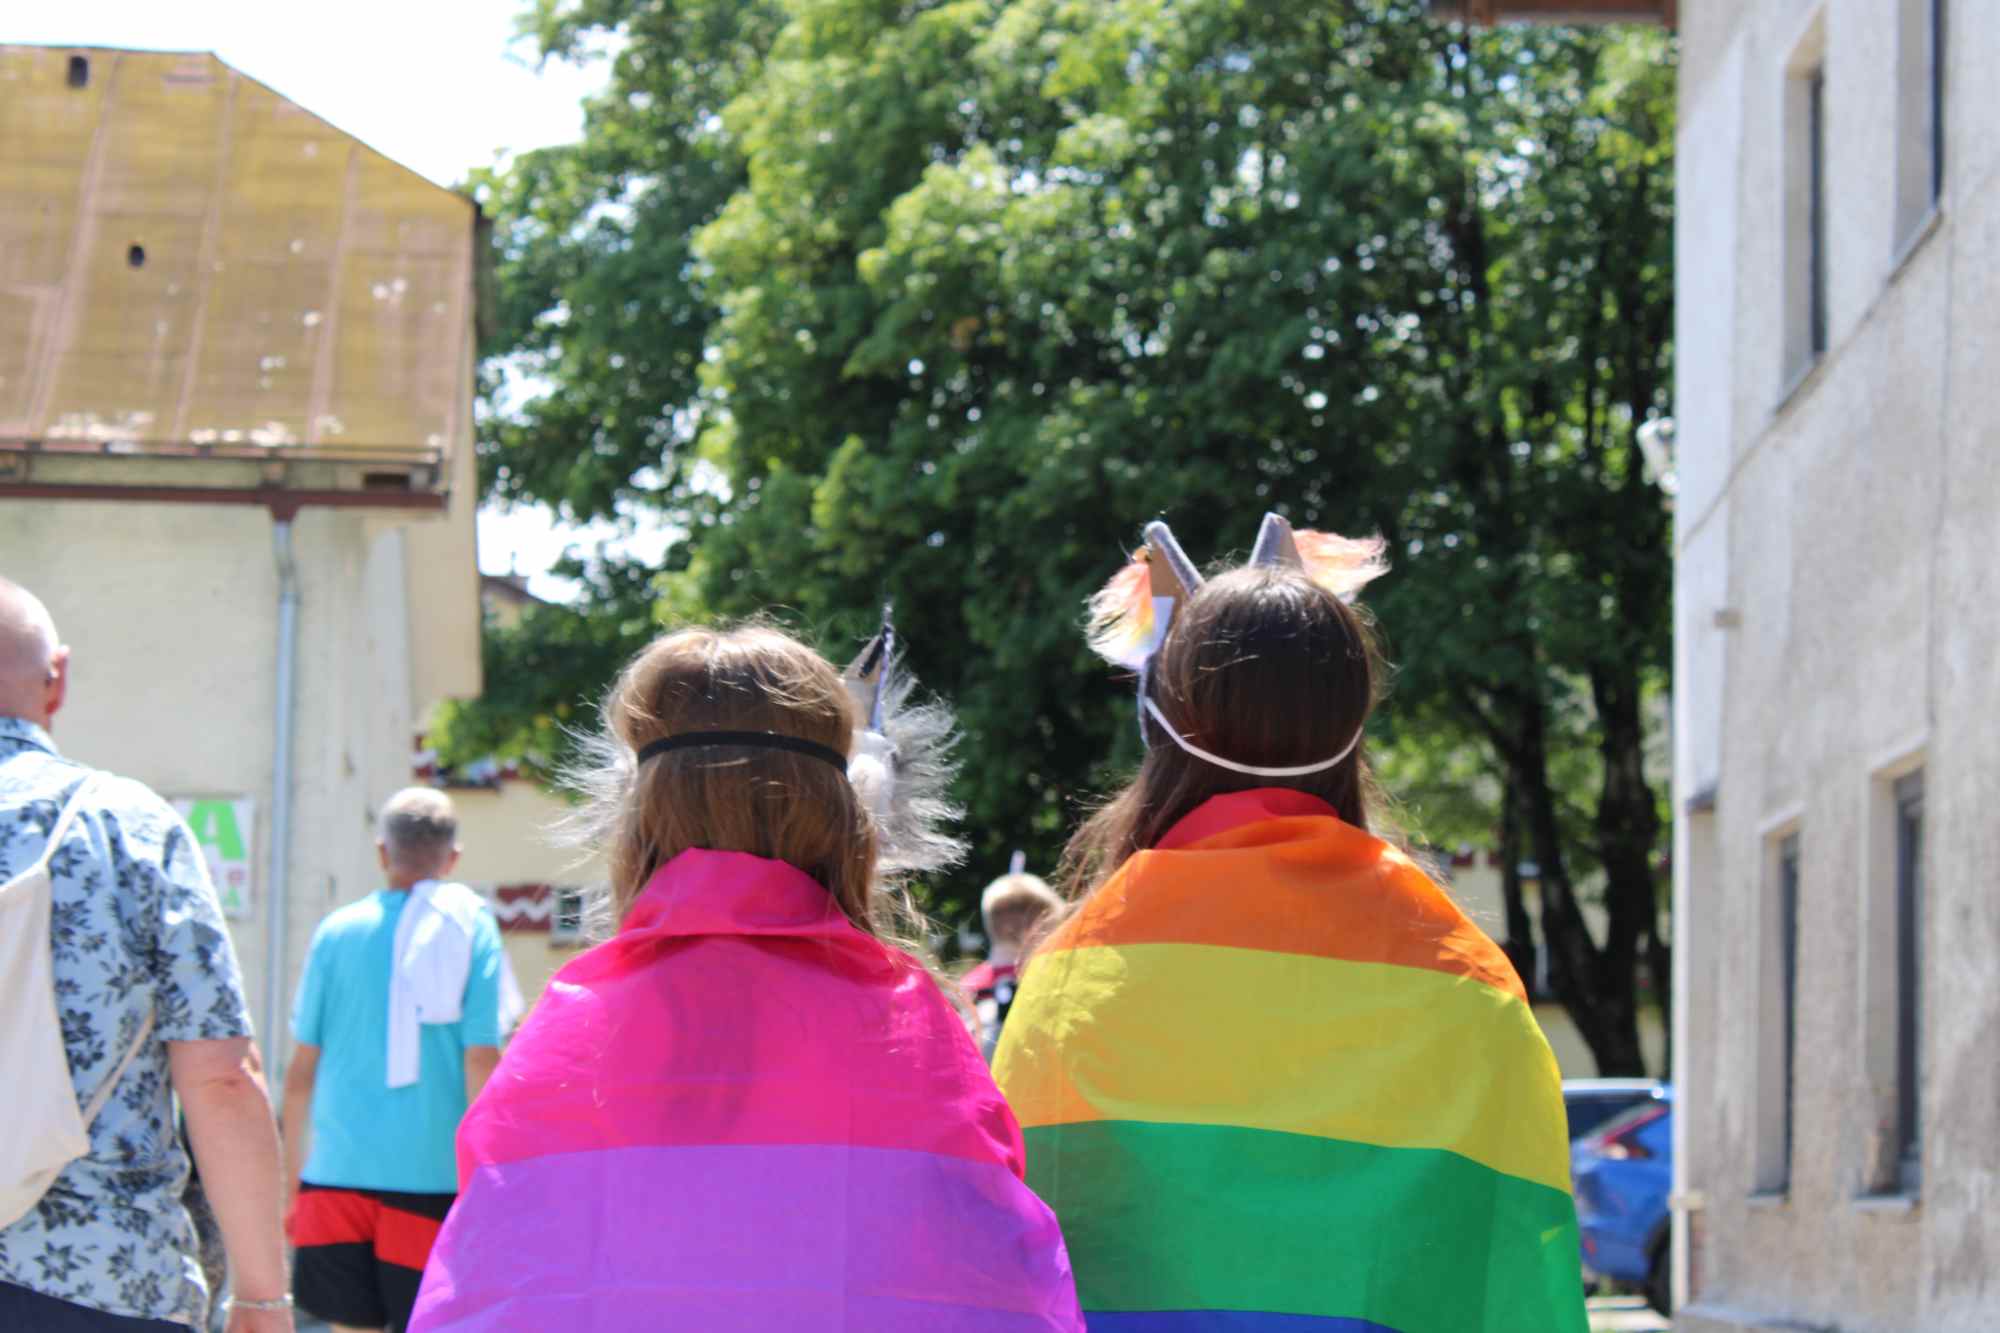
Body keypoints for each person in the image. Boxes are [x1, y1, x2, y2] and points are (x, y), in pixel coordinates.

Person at [992, 516, 1590, 1333]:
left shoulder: (1077, 976)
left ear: (1163, 726)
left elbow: (1027, 1257)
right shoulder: (1465, 977)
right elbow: (1507, 1262)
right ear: (1348, 723)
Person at [409, 624, 1082, 1331]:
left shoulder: (567, 1023)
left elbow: (496, 1281)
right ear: (841, 817)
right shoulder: (909, 1020)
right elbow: (994, 1282)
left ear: (641, 818)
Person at [0, 577, 293, 1333]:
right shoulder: (126, 827)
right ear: (55, 677)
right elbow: (223, 1074)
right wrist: (262, 1294)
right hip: (101, 1280)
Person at [281, 788, 507, 1333]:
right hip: (430, 1178)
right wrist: (491, 1172)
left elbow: (300, 1073)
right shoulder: (469, 928)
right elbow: (481, 1058)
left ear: (383, 852)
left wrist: (292, 1180)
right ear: (452, 859)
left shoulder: (335, 931)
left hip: (333, 1175)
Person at [960, 858, 1061, 1058]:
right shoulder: (974, 985)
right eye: (1004, 911)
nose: (1016, 921)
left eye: (1027, 908)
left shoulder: (1063, 969)